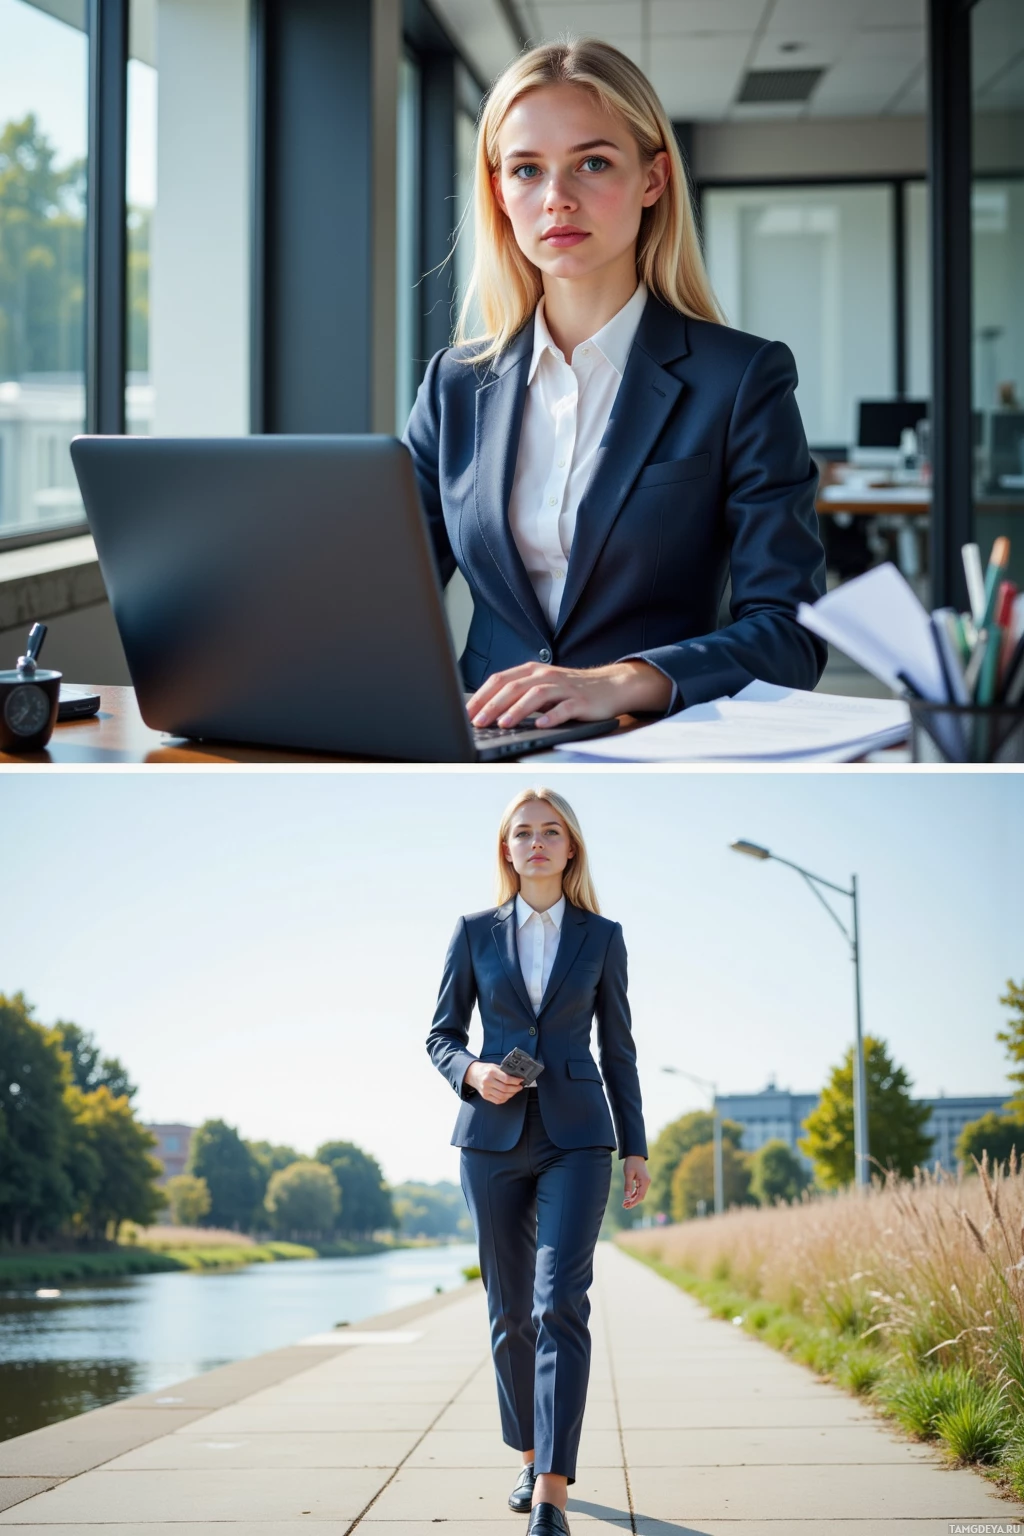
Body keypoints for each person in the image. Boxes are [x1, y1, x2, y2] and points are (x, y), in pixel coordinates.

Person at [403, 36, 827, 737]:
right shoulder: (455, 386)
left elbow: (790, 633)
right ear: (499, 193)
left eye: (592, 163)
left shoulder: (741, 379)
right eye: (527, 170)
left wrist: (621, 681)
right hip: (483, 745)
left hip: (659, 745)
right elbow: (381, 596)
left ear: (653, 180)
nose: (557, 199)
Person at [426, 787, 648, 1536]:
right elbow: (440, 1034)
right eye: (523, 833)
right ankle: (527, 1454)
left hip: (577, 1138)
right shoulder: (472, 932)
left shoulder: (602, 937)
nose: (537, 842)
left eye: (551, 831)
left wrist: (637, 1144)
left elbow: (618, 1048)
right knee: (509, 1311)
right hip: (489, 1139)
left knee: (559, 1303)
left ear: (571, 846)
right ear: (507, 849)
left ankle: (552, 1492)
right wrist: (472, 1071)